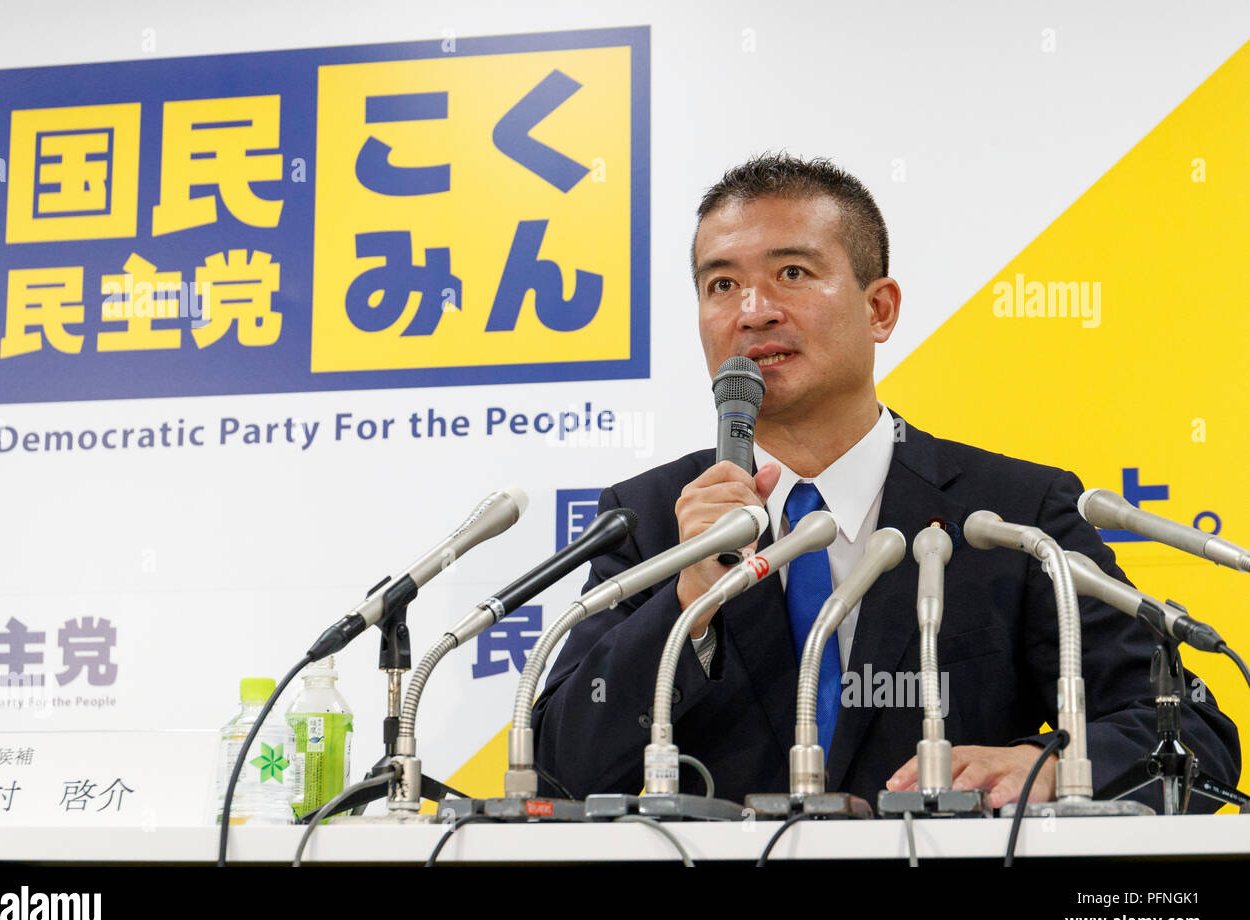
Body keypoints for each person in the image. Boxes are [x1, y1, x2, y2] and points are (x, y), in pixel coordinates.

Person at [531, 153, 1241, 811]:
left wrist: (1049, 767)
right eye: (722, 284)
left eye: (793, 274)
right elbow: (561, 764)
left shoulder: (1011, 515)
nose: (753, 311)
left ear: (880, 309)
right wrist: (687, 602)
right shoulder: (652, 519)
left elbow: (1189, 736)